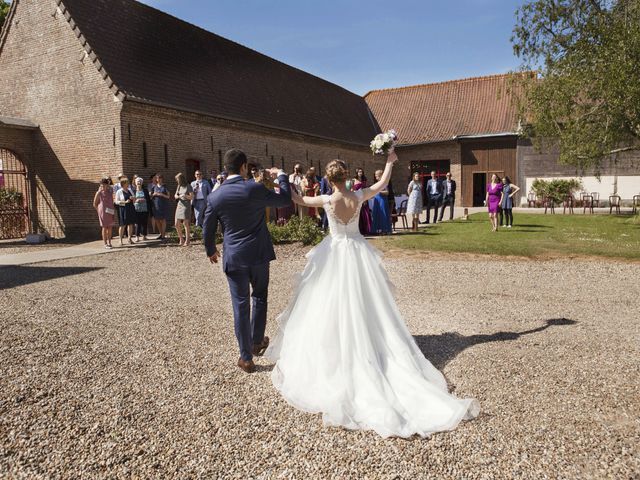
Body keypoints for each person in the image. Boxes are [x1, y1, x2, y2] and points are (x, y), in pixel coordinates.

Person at [265, 152, 479, 438]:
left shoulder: (328, 200)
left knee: (328, 302)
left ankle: (336, 349)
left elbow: (299, 200)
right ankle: (370, 343)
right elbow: (381, 187)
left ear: (329, 179)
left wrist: (282, 180)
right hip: (357, 252)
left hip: (335, 252)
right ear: (347, 176)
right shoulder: (359, 195)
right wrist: (390, 163)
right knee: (369, 304)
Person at [202, 149, 292, 373]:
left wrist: (211, 250)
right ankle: (256, 341)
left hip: (234, 256)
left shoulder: (215, 196)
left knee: (240, 306)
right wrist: (282, 176)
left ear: (226, 168)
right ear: (243, 167)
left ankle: (246, 357)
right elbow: (284, 198)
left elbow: (207, 227)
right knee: (260, 296)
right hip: (259, 253)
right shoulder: (254, 187)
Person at [93, 177, 114, 249]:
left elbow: (112, 186)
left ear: (107, 185)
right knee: (104, 227)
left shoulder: (110, 191)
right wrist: (98, 211)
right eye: (101, 185)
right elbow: (94, 203)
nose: (102, 187)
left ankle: (110, 242)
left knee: (110, 227)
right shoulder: (98, 193)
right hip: (102, 212)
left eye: (104, 185)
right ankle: (105, 243)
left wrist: (109, 180)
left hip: (110, 210)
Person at [114, 177, 136, 245]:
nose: (128, 184)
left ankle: (129, 238)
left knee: (130, 224)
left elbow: (134, 198)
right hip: (123, 209)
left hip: (130, 208)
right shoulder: (119, 191)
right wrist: (125, 202)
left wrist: (133, 198)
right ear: (123, 184)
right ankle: (120, 240)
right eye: (127, 183)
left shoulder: (130, 190)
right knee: (122, 225)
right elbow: (116, 201)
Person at [174, 172, 194, 246]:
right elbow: (175, 194)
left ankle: (187, 240)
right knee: (176, 223)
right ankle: (181, 239)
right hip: (179, 205)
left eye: (177, 179)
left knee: (185, 223)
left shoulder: (188, 186)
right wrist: (177, 196)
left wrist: (185, 195)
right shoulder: (179, 186)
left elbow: (191, 197)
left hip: (186, 206)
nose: (177, 181)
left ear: (181, 179)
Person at [371, 169, 392, 234]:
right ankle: (377, 229)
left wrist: (379, 191)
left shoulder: (384, 183)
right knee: (376, 214)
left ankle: (385, 229)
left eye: (376, 175)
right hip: (376, 200)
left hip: (382, 200)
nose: (375, 176)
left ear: (380, 175)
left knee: (383, 214)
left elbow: (387, 192)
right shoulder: (377, 183)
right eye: (375, 175)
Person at [352, 168, 372, 235]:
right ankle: (359, 230)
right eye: (359, 172)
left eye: (361, 172)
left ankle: (366, 230)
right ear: (356, 173)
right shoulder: (353, 180)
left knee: (365, 213)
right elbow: (352, 189)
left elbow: (366, 189)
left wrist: (365, 199)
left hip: (364, 197)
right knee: (358, 214)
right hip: (357, 198)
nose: (360, 173)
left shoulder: (364, 180)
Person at [151, 174, 170, 240]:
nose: (158, 179)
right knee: (157, 220)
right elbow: (151, 196)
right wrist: (154, 194)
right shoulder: (154, 187)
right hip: (156, 205)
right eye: (157, 178)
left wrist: (161, 194)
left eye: (160, 178)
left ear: (162, 179)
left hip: (163, 205)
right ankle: (161, 233)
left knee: (163, 219)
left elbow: (168, 196)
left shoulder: (165, 186)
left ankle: (163, 235)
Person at [133, 177, 150, 241]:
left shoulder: (145, 190)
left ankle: (144, 236)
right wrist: (136, 201)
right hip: (136, 209)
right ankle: (137, 236)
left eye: (140, 181)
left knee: (144, 223)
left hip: (145, 209)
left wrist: (144, 199)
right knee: (137, 223)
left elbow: (148, 199)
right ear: (135, 183)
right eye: (137, 182)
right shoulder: (134, 191)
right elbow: (132, 199)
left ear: (142, 183)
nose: (139, 183)